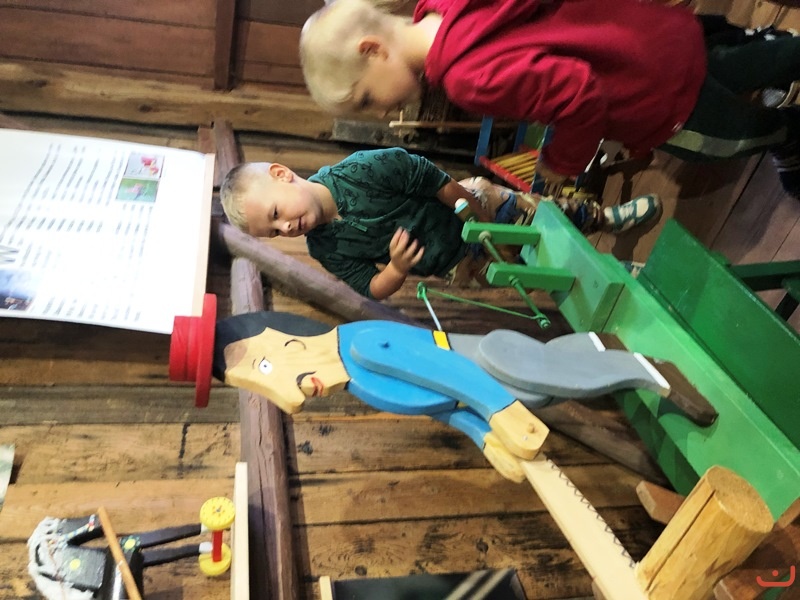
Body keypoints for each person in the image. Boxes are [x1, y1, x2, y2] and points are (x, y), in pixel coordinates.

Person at [299, 0, 800, 199]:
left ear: (374, 50)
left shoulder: (465, 77)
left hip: (652, 98)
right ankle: (775, 50)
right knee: (746, 61)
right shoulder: (447, 4)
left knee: (723, 140)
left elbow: (579, 98)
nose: (381, 113)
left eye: (367, 100)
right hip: (653, 36)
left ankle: (787, 133)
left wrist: (559, 164)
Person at [220, 147, 660, 300]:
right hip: (456, 261)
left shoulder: (359, 169)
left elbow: (428, 177)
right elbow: (370, 287)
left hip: (476, 206)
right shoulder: (325, 248)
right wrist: (396, 268)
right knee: (534, 275)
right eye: (273, 233)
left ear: (281, 174)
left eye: (275, 215)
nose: (285, 229)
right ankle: (611, 273)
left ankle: (603, 218)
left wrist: (472, 211)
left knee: (545, 219)